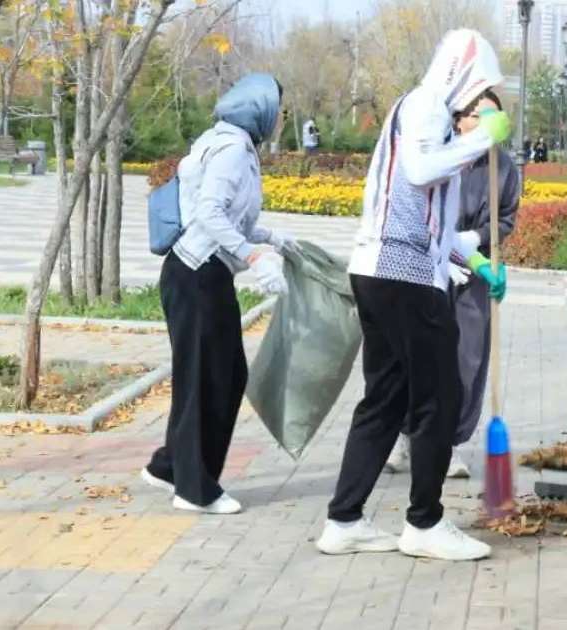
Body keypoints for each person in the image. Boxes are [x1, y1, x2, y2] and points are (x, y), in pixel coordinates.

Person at [317, 29, 511, 562]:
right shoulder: (425, 105)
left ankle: (344, 519)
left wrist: (474, 261)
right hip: (403, 278)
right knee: (439, 397)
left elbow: (432, 221)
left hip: (382, 272)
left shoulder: (425, 114)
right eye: (479, 88)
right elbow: (421, 172)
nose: (479, 102)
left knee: (386, 397)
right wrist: (482, 138)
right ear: (462, 70)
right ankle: (425, 522)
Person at [141, 73, 294, 515]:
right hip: (196, 276)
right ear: (258, 108)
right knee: (207, 378)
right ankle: (194, 488)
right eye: (277, 109)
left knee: (221, 374)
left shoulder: (233, 144)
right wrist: (251, 256)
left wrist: (273, 238)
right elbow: (208, 212)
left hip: (202, 275)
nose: (280, 118)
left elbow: (228, 215)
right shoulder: (230, 150)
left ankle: (170, 466)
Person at [383, 89, 520, 479]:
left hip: (476, 272)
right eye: (477, 115)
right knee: (419, 353)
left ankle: (451, 440)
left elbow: (506, 217)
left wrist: (477, 242)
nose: (484, 123)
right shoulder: (441, 157)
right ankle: (406, 433)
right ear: (459, 120)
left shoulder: (504, 166)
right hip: (428, 266)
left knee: (467, 358)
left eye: (493, 115)